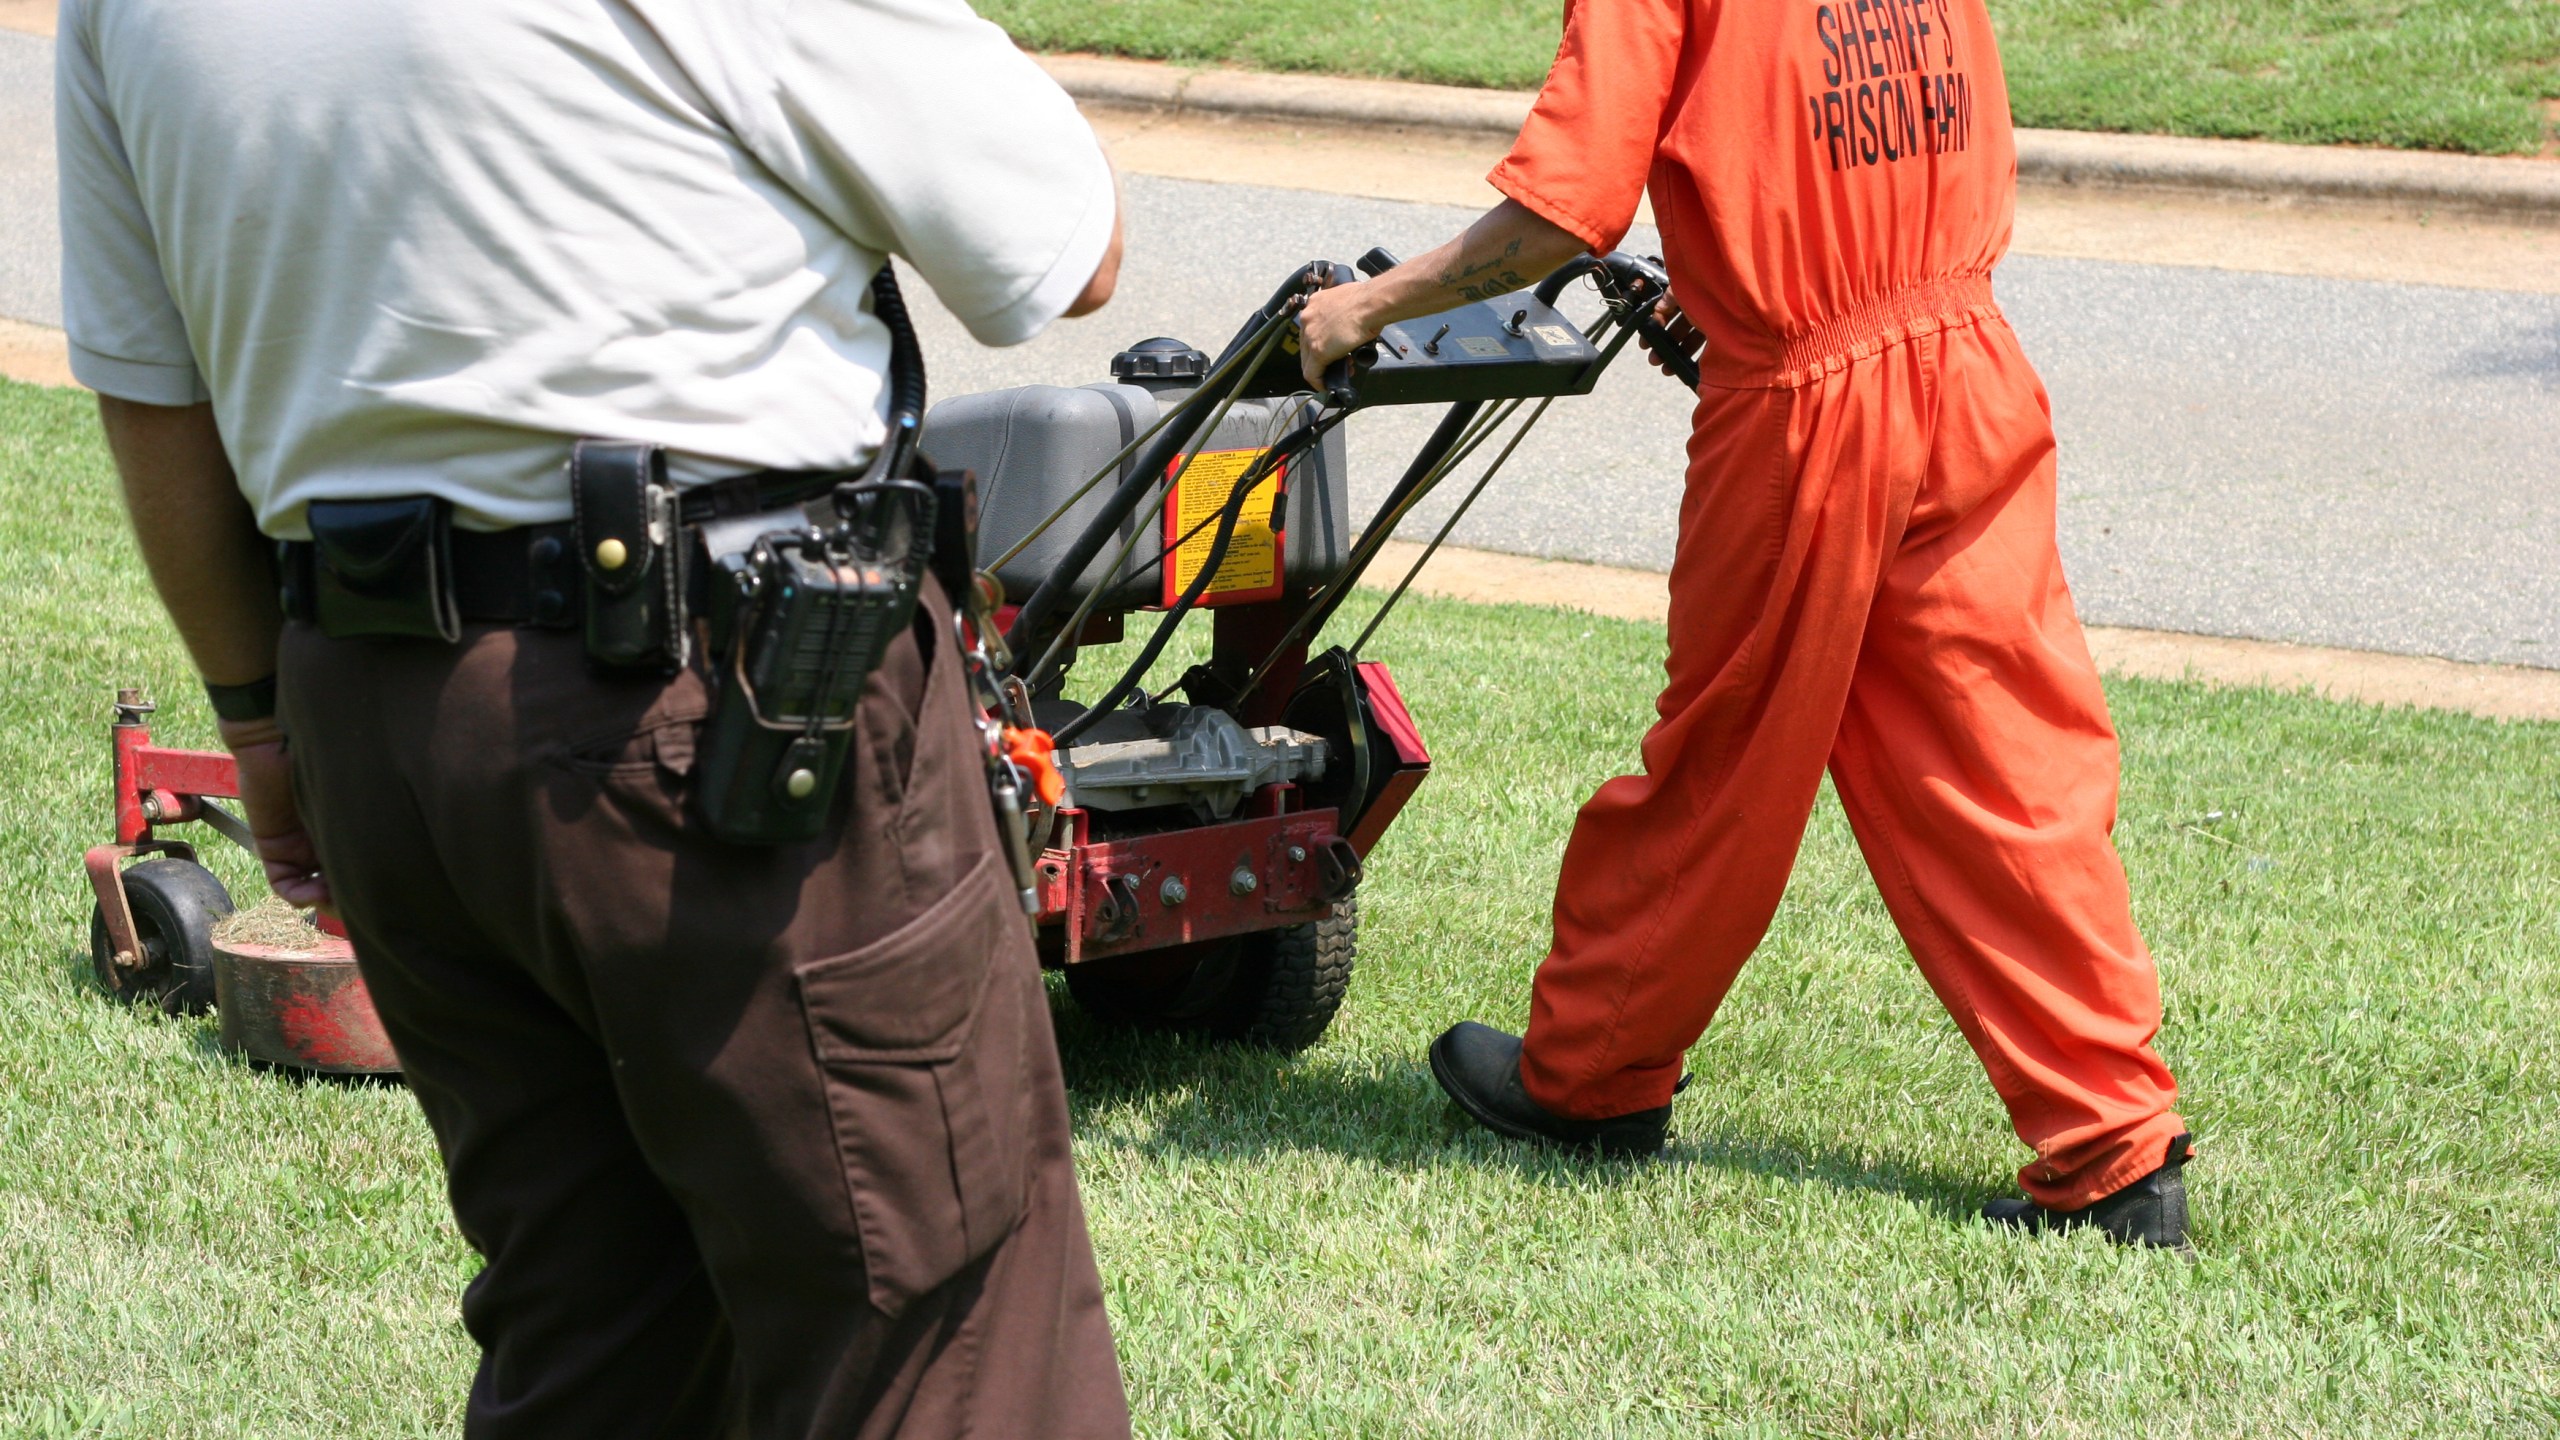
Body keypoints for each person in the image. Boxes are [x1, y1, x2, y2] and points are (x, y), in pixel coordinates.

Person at [57, 0, 1136, 1432]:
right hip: (724, 704)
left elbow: (154, 389)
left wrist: (259, 725)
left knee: (595, 1337)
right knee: (935, 1341)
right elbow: (1067, 246)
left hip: (380, 714)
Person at [1297, 0, 2192, 1246]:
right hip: (1969, 359)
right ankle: (2117, 1147)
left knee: (1722, 764)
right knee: (2009, 759)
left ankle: (1591, 1082)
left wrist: (1368, 307)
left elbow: (1563, 211)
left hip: (1809, 411)